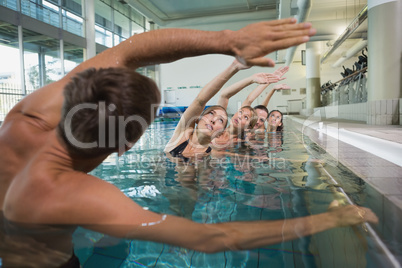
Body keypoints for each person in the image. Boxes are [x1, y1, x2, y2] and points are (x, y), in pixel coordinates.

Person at [0, 18, 377, 267]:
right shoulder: (77, 194)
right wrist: (331, 218)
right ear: (123, 149)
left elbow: (132, 49)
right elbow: (214, 236)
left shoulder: (30, 113)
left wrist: (229, 44)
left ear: (79, 89)